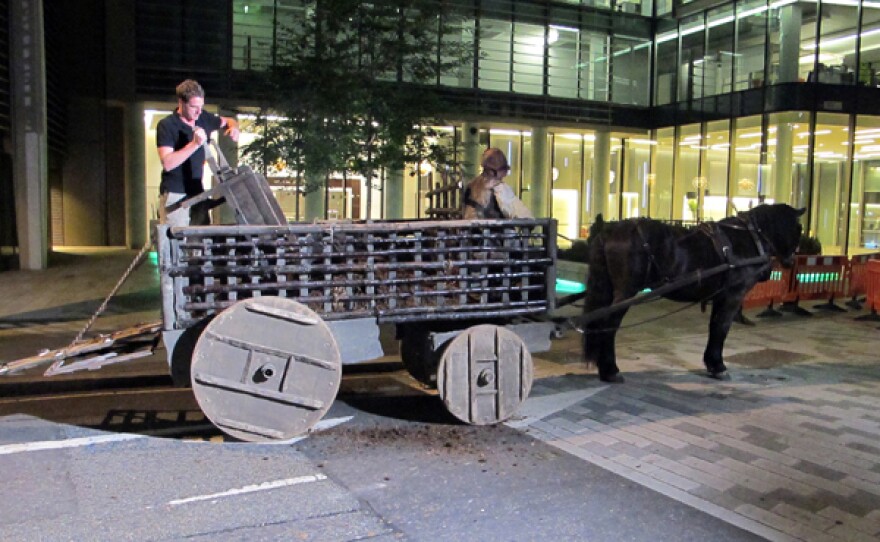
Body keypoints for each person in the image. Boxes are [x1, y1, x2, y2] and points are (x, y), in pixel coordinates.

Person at [156, 79, 240, 227]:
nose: (199, 112)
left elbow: (228, 121)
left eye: (201, 106)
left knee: (202, 241)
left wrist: (234, 127)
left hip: (197, 192)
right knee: (177, 242)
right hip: (176, 194)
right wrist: (195, 144)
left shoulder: (203, 118)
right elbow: (168, 163)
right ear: (181, 103)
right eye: (194, 107)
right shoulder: (167, 125)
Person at [463, 147, 532, 220]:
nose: (505, 175)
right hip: (494, 229)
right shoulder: (499, 188)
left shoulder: (471, 185)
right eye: (503, 170)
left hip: (471, 229)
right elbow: (518, 211)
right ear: (494, 171)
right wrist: (529, 219)